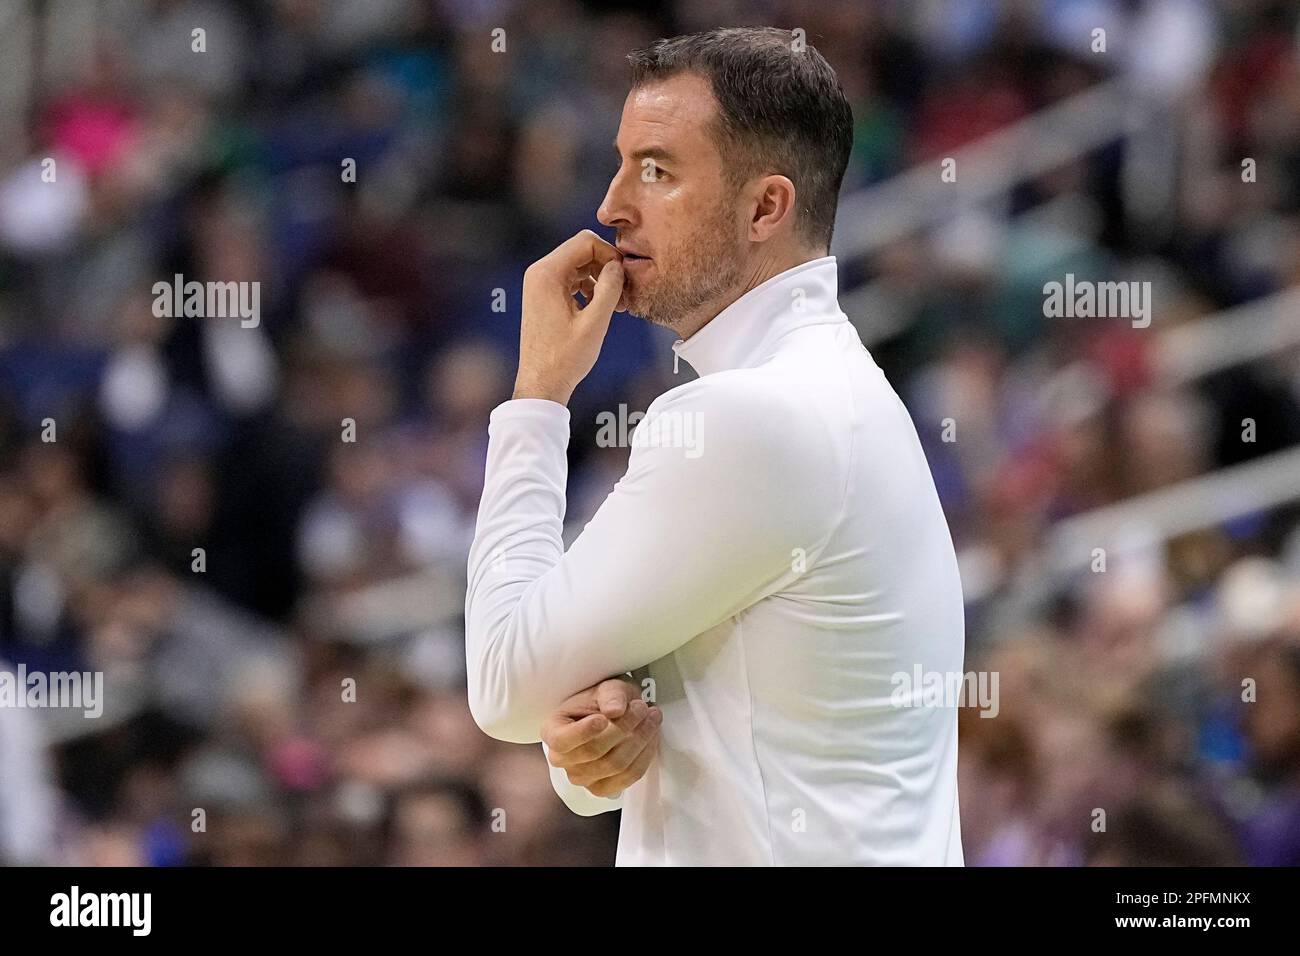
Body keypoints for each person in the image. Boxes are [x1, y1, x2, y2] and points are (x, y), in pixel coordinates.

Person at [465, 27, 965, 865]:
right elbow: (647, 720)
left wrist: (538, 398)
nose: (611, 206)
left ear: (765, 206)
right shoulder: (824, 389)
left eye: (655, 170)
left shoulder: (756, 418)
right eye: (621, 162)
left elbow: (503, 685)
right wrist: (595, 747)